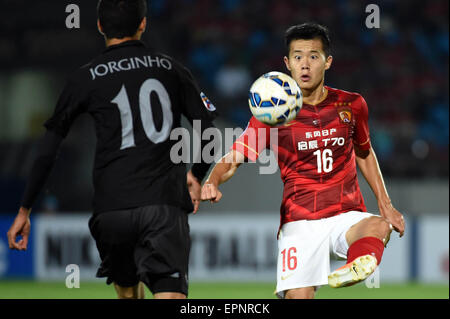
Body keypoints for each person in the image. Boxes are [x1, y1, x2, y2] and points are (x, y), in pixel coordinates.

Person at [7, 0, 216, 299]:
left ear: (100, 26)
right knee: (170, 294)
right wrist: (196, 176)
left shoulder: (86, 76)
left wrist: (24, 208)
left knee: (128, 295)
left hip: (112, 211)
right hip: (163, 206)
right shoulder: (172, 69)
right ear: (143, 24)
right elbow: (208, 133)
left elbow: (48, 148)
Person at [201, 22, 405, 299]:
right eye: (298, 57)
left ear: (328, 61)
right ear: (287, 63)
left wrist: (387, 204)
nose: (305, 65)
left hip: (345, 214)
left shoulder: (352, 104)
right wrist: (212, 179)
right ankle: (354, 263)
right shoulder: (272, 113)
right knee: (299, 297)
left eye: (313, 56)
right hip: (300, 222)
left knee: (380, 225)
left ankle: (358, 265)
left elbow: (364, 153)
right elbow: (234, 157)